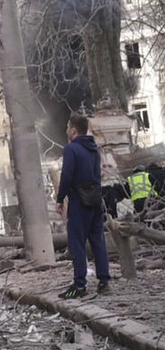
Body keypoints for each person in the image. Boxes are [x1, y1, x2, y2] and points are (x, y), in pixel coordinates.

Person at [55, 115, 110, 299]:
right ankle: (104, 282)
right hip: (96, 199)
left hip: (79, 201)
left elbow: (67, 175)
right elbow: (97, 174)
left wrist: (60, 198)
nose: (66, 131)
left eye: (67, 127)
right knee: (98, 241)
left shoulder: (71, 149)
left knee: (76, 243)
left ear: (73, 130)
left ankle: (80, 286)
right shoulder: (94, 149)